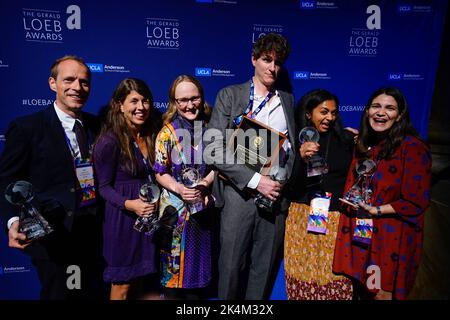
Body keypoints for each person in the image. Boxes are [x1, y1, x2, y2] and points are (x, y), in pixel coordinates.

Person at [0, 55, 104, 299]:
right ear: (52, 83)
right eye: (69, 80)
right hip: (54, 238)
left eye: (84, 82)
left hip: (95, 237)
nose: (77, 87)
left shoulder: (98, 126)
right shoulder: (27, 128)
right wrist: (13, 221)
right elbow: (7, 181)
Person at [206, 33, 296, 299]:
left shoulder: (287, 100)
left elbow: (291, 148)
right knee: (231, 266)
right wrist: (257, 182)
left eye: (278, 62)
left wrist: (282, 177)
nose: (272, 67)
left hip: (274, 198)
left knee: (263, 269)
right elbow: (213, 149)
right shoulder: (230, 95)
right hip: (238, 194)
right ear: (254, 59)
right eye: (267, 60)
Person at [333, 87, 432, 300]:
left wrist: (376, 210)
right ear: (367, 110)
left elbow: (416, 201)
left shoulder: (412, 148)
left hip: (389, 244)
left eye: (389, 108)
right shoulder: (365, 145)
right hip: (362, 238)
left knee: (379, 294)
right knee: (360, 292)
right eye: (376, 106)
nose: (381, 112)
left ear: (399, 116)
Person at [93, 78, 160, 300]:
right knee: (121, 287)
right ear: (120, 105)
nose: (141, 107)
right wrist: (131, 204)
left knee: (139, 282)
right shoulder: (109, 141)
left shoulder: (150, 136)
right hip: (122, 221)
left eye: (145, 101)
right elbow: (102, 187)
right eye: (134, 101)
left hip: (147, 220)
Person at [284, 89, 354, 300]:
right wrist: (301, 159)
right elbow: (292, 189)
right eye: (324, 112)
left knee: (333, 280)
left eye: (334, 113)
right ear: (308, 113)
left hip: (334, 220)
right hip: (301, 219)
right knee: (303, 278)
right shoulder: (293, 142)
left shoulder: (347, 141)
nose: (330, 118)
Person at [153, 75, 215, 299]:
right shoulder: (167, 133)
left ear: (202, 98)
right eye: (183, 100)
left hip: (202, 213)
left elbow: (218, 166)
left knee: (198, 282)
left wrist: (206, 184)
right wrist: (179, 188)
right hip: (175, 215)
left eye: (194, 98)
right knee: (173, 279)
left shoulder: (210, 129)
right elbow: (160, 172)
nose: (190, 105)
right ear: (174, 102)